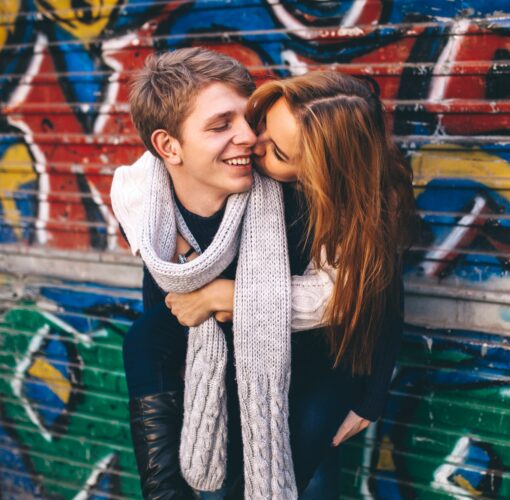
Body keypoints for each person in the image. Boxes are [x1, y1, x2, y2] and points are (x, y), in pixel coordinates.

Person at [165, 71, 415, 497]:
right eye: (261, 123)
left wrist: (371, 398)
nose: (252, 143)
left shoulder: (366, 199)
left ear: (322, 173)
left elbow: (378, 296)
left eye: (277, 150)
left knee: (302, 485)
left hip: (324, 374)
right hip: (238, 372)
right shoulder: (238, 171)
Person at [112, 48, 336, 499]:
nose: (250, 138)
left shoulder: (296, 197)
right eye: (220, 126)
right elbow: (159, 336)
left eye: (247, 119)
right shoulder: (153, 214)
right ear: (168, 147)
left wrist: (229, 296)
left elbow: (358, 291)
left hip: (297, 421)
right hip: (206, 426)